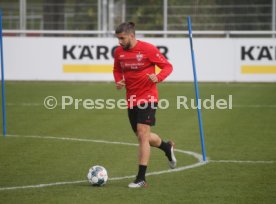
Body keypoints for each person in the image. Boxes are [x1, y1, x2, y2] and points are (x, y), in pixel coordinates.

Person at [113, 22, 176, 188]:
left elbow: (167, 67)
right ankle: (166, 147)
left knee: (142, 134)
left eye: (122, 38)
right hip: (131, 98)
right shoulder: (119, 52)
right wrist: (118, 80)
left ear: (131, 36)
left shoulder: (148, 49)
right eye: (118, 38)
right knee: (143, 137)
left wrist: (159, 77)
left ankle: (141, 179)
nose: (119, 42)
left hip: (148, 97)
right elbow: (117, 69)